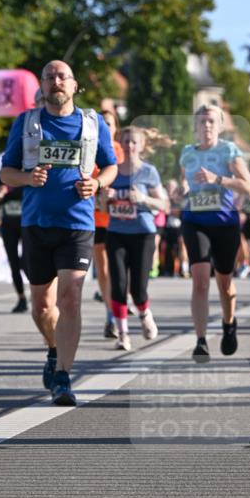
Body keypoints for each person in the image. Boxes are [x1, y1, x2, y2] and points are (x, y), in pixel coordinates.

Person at [0, 59, 117, 405]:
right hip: (36, 224)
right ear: (42, 85)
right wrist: (27, 178)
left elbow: (111, 166)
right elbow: (7, 173)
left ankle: (64, 375)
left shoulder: (92, 125)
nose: (56, 81)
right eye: (49, 77)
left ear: (74, 84)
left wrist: (97, 183)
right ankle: (54, 349)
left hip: (78, 223)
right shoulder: (27, 123)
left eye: (62, 76)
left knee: (70, 297)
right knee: (41, 307)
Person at [179, 104, 250, 362]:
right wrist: (178, 190)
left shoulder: (229, 151)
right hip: (194, 220)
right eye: (202, 122)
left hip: (224, 223)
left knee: (225, 283)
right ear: (195, 127)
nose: (206, 126)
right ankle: (200, 341)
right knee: (200, 279)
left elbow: (248, 185)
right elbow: (184, 184)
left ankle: (229, 322)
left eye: (211, 121)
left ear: (219, 126)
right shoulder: (187, 153)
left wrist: (218, 179)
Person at [101, 127, 169, 351]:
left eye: (133, 142)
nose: (129, 146)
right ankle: (123, 334)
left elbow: (164, 205)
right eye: (126, 142)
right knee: (118, 285)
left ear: (140, 146)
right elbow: (101, 208)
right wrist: (104, 197)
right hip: (116, 233)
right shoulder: (112, 172)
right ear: (120, 144)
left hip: (143, 233)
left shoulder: (149, 172)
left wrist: (143, 198)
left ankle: (144, 312)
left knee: (138, 289)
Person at [92, 107, 124, 338]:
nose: (105, 127)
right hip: (95, 218)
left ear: (115, 129)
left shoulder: (121, 151)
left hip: (119, 218)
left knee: (119, 269)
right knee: (103, 270)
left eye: (109, 124)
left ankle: (120, 302)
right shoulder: (88, 149)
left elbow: (125, 177)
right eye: (100, 123)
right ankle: (110, 315)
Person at [0, 175, 28, 312]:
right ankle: (21, 298)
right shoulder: (2, 176)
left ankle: (40, 292)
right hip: (8, 225)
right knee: (13, 263)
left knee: (27, 261)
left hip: (26, 223)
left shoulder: (29, 170)